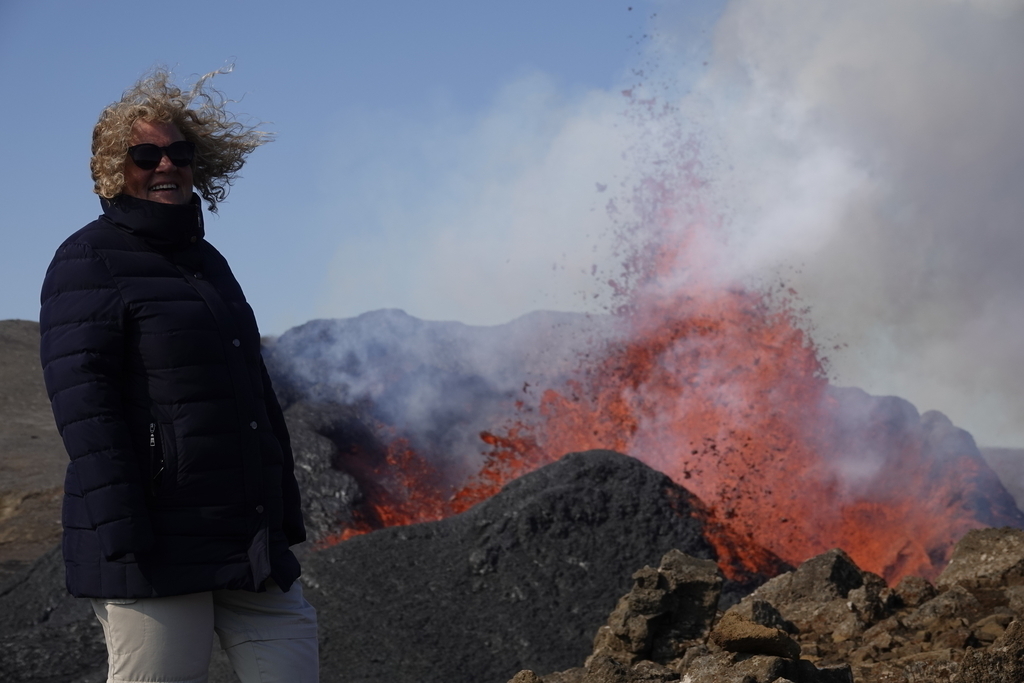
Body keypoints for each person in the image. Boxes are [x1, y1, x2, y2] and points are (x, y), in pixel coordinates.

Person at [39, 67, 318, 683]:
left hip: (243, 537)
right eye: (146, 154)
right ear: (113, 169)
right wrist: (126, 534)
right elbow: (86, 406)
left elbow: (254, 394)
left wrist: (280, 513)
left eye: (179, 152)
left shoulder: (207, 262)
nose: (166, 165)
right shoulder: (86, 260)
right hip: (156, 549)